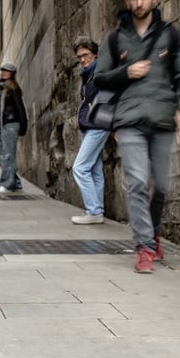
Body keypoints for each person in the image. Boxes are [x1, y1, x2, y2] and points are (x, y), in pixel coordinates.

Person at [94, 0, 180, 274]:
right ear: (127, 0)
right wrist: (126, 71)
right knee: (138, 181)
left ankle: (152, 233)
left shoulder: (171, 36)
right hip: (129, 120)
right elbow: (100, 77)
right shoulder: (114, 39)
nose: (139, 3)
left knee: (161, 186)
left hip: (164, 119)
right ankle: (143, 246)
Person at [70, 37, 110, 224]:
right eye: (79, 57)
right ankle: (98, 210)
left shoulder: (100, 71)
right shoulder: (88, 74)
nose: (82, 60)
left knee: (80, 167)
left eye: (85, 55)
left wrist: (115, 125)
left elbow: (112, 98)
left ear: (95, 54)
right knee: (95, 169)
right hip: (92, 125)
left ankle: (93, 211)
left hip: (98, 124)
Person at [0, 62, 27, 193]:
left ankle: (7, 183)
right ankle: (15, 181)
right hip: (3, 125)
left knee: (7, 154)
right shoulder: (2, 89)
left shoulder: (13, 89)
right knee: (1, 153)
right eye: (2, 70)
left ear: (12, 73)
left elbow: (20, 107)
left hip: (11, 124)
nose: (3, 73)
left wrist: (23, 126)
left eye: (6, 71)